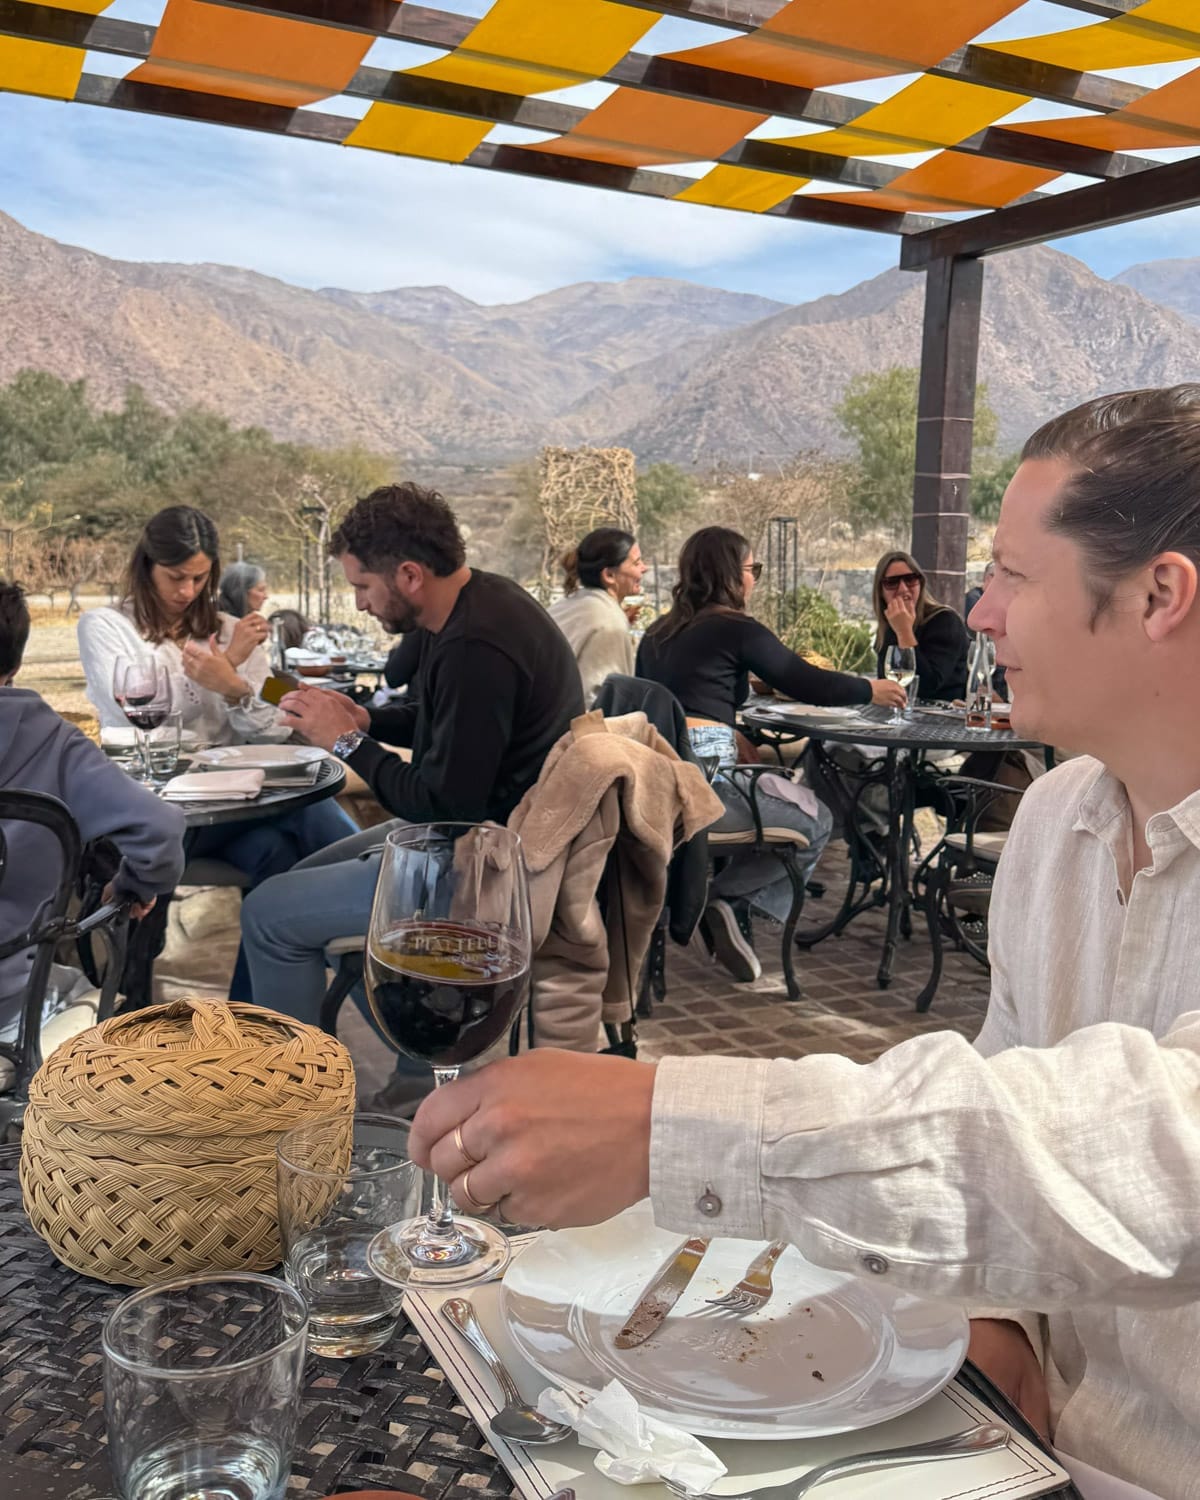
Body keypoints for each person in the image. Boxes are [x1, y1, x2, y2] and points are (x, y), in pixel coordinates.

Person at [410, 385, 1200, 1500]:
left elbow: (1156, 1150)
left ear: (1160, 595)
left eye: (1015, 576)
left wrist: (666, 1126)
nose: (980, 612)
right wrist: (996, 1317)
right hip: (1013, 1451)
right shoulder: (1058, 821)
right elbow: (1012, 1080)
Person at [239, 482, 584, 1108]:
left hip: (482, 863)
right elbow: (446, 725)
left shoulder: (477, 646)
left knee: (268, 914)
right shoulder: (484, 604)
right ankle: (418, 1064)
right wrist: (368, 720)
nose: (360, 602)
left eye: (363, 586)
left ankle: (301, 1108)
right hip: (470, 833)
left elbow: (442, 805)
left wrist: (346, 743)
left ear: (408, 575)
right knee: (298, 876)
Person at [637, 526, 905, 982]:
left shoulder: (657, 633)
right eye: (751, 569)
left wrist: (731, 728)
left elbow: (693, 698)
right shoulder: (736, 628)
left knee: (782, 786)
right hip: (707, 792)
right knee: (816, 819)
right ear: (729, 574)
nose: (754, 579)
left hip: (657, 787)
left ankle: (722, 905)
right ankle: (730, 900)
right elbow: (807, 682)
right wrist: (870, 689)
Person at [75, 506, 357, 915]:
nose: (188, 591)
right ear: (146, 567)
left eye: (200, 578)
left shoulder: (230, 628)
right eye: (176, 577)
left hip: (235, 803)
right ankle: (384, 892)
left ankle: (345, 918)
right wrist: (228, 662)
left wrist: (234, 687)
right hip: (158, 812)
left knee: (276, 852)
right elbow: (144, 712)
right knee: (307, 812)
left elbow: (275, 727)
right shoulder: (105, 626)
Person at [0, 584, 185, 1039]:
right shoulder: (54, 742)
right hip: (8, 1010)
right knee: (80, 991)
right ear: (15, 664)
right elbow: (159, 829)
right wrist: (130, 885)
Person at [548, 528, 647, 705]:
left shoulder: (567, 605)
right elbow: (600, 700)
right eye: (636, 563)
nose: (644, 568)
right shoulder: (608, 621)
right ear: (609, 575)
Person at [872, 550, 969, 702]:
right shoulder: (889, 626)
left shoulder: (945, 621)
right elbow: (887, 684)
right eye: (892, 582)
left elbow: (926, 686)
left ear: (920, 583)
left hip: (941, 713)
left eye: (910, 579)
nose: (903, 589)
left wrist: (904, 632)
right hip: (899, 712)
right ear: (881, 592)